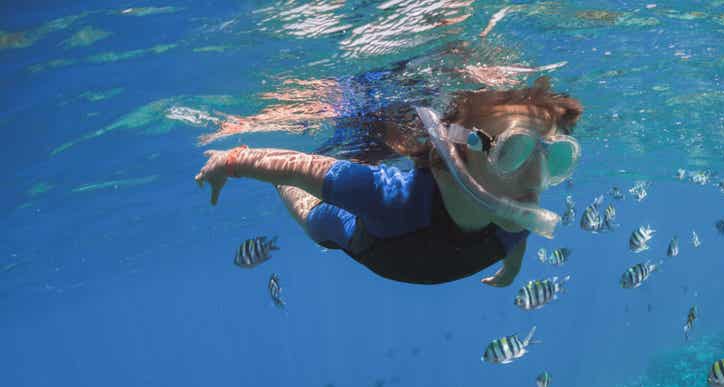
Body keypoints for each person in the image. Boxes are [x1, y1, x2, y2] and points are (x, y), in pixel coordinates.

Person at [194, 76, 582, 286]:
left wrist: (511, 271)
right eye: (513, 151)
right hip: (378, 246)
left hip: (418, 255)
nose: (537, 176)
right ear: (445, 156)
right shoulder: (386, 197)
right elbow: (300, 167)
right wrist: (231, 160)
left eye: (553, 157)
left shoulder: (514, 205)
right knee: (317, 221)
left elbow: (518, 235)